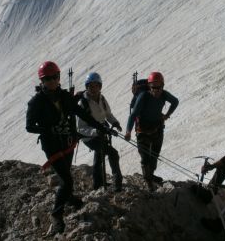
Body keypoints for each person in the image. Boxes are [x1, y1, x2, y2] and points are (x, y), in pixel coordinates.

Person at [26, 61, 113, 236]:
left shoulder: (65, 97)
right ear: (41, 81)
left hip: (68, 142)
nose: (51, 81)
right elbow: (29, 126)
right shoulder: (36, 102)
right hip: (52, 146)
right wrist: (48, 129)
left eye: (54, 77)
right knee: (66, 180)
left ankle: (70, 198)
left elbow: (81, 113)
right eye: (47, 78)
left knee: (66, 174)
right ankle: (56, 215)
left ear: (59, 77)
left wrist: (100, 126)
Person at [125, 71, 179, 191]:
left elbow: (175, 101)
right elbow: (133, 115)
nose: (156, 89)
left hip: (157, 128)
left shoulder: (164, 94)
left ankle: (150, 175)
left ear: (162, 85)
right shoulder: (143, 96)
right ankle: (148, 181)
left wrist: (167, 115)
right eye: (153, 86)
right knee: (145, 157)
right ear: (149, 86)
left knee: (154, 156)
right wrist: (128, 131)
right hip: (142, 130)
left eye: (158, 86)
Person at [77, 72, 123, 191]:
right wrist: (95, 132)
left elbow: (107, 114)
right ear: (86, 87)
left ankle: (98, 184)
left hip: (101, 132)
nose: (93, 88)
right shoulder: (83, 103)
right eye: (90, 86)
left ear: (100, 86)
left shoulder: (102, 98)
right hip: (89, 137)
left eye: (95, 86)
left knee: (99, 158)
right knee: (113, 154)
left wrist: (115, 123)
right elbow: (80, 128)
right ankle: (117, 183)